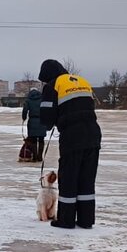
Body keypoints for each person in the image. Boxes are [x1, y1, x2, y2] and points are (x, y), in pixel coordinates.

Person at [38, 59, 101, 229]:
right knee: (86, 179)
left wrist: (52, 122)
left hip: (73, 136)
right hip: (93, 134)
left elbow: (46, 117)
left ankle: (66, 220)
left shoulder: (53, 85)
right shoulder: (81, 81)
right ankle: (86, 220)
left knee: (69, 177)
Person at [21, 87, 46, 162]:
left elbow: (25, 110)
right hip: (42, 121)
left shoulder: (28, 100)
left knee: (33, 140)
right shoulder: (42, 99)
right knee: (41, 139)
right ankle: (40, 157)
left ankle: (35, 157)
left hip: (32, 121)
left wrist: (24, 117)